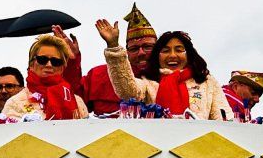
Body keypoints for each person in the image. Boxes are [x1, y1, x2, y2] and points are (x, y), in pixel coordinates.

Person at [95, 21, 232, 120]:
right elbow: (126, 90)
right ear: (157, 56)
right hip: (158, 148)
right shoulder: (149, 83)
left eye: (179, 50)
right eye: (165, 51)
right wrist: (113, 46)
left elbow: (224, 119)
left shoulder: (206, 82)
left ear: (189, 55)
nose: (172, 55)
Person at [83, 6, 157, 115]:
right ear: (126, 52)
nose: (141, 53)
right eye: (134, 49)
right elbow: (71, 100)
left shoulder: (170, 76)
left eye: (148, 47)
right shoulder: (98, 75)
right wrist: (71, 60)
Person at [0, 32, 88, 119]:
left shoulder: (78, 102)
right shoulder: (15, 103)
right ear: (31, 65)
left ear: (62, 68)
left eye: (55, 61)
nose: (49, 65)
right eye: (42, 59)